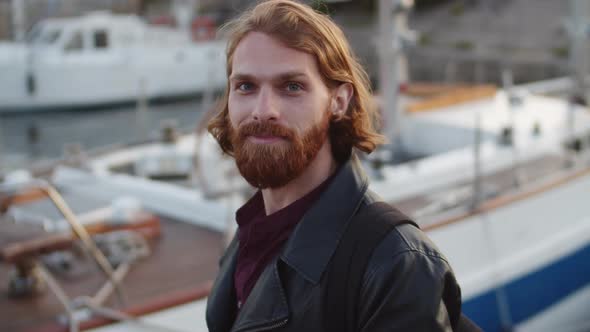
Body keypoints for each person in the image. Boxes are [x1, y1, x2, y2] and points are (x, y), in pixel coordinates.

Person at [206, 1, 463, 331]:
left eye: (292, 87)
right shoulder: (251, 232)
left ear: (339, 101)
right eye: (246, 86)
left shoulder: (396, 264)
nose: (263, 109)